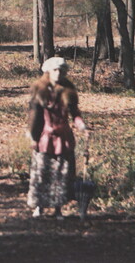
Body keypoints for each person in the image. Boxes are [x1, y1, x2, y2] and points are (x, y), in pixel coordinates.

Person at [26, 56, 87, 220]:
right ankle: (39, 207)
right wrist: (33, 136)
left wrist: (82, 126)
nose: (58, 73)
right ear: (48, 72)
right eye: (55, 70)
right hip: (44, 137)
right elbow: (34, 116)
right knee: (42, 172)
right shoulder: (39, 90)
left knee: (62, 174)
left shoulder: (69, 90)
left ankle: (58, 209)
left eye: (61, 70)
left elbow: (75, 113)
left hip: (63, 138)